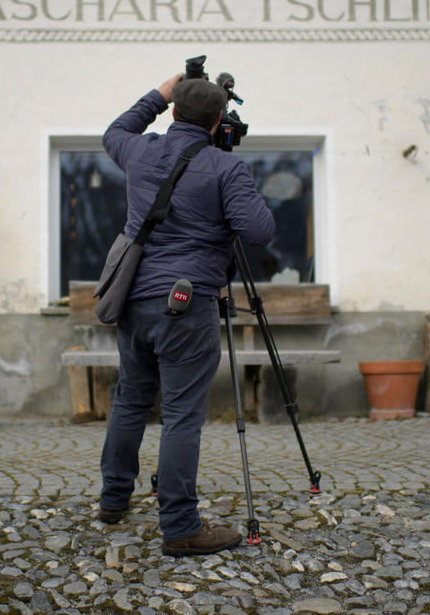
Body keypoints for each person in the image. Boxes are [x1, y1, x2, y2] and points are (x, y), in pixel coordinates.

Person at [97, 71, 275, 556]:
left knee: (131, 400)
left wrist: (159, 91)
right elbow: (258, 231)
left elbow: (115, 131)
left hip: (134, 299)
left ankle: (113, 500)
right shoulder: (224, 167)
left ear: (174, 111)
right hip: (186, 303)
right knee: (180, 417)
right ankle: (179, 527)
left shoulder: (140, 150)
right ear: (219, 120)